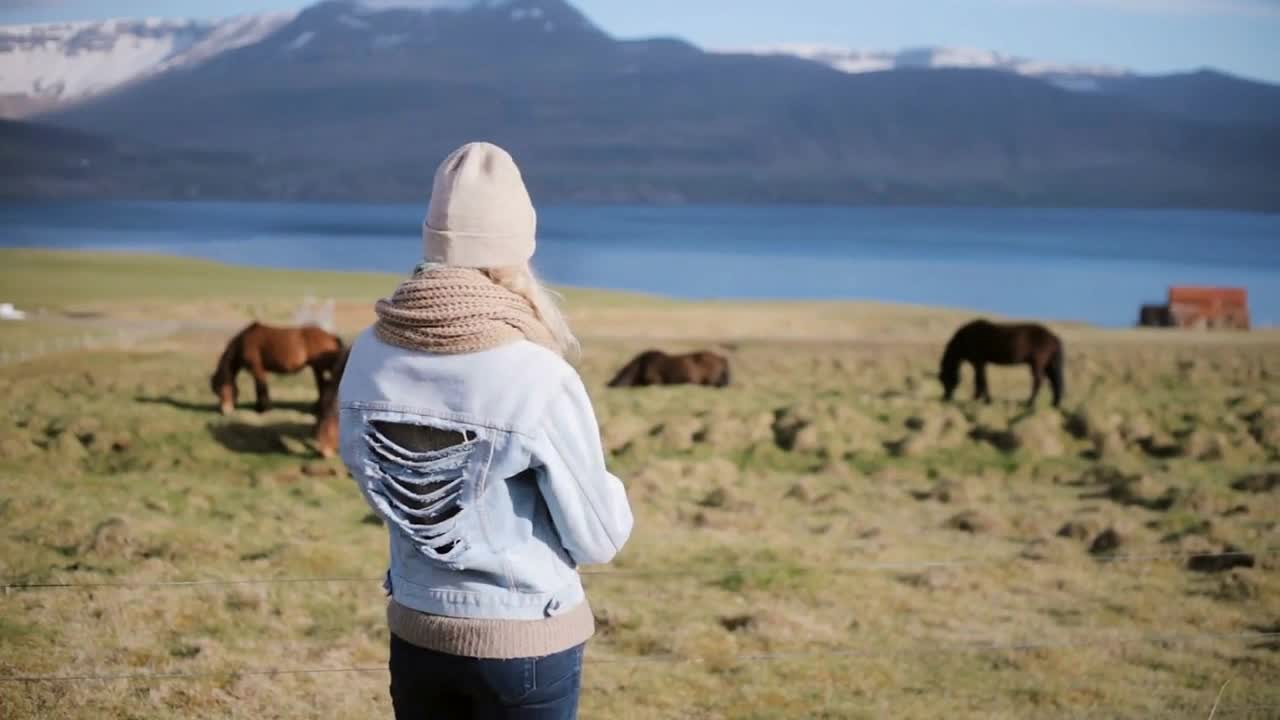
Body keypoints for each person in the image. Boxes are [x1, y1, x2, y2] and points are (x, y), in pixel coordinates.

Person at [338, 142, 634, 719]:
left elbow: (377, 482)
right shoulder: (537, 371)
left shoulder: (368, 351)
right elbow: (600, 538)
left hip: (418, 628)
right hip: (525, 640)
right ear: (517, 250)